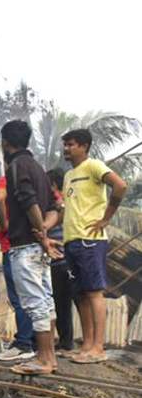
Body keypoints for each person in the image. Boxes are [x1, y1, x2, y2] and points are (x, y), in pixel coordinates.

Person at [61, 129, 128, 364]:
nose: (66, 149)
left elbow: (120, 186)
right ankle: (87, 345)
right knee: (79, 294)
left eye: (70, 144)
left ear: (84, 146)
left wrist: (106, 218)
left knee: (94, 292)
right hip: (71, 240)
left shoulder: (94, 166)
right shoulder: (69, 175)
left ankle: (99, 347)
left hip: (90, 239)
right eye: (65, 145)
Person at [0, 120, 60, 375]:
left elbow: (27, 200)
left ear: (5, 142)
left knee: (36, 304)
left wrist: (41, 233)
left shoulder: (17, 166)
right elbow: (57, 208)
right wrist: (44, 230)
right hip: (36, 246)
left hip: (25, 247)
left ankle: (44, 360)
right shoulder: (38, 169)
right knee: (46, 301)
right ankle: (51, 358)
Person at [0, 171, 36, 362]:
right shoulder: (39, 179)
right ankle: (32, 342)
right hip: (32, 247)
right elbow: (59, 206)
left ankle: (24, 343)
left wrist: (5, 225)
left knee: (20, 299)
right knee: (35, 298)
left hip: (14, 248)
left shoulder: (10, 179)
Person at [45, 168, 77, 354]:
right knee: (65, 302)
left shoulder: (60, 204)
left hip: (60, 259)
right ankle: (66, 341)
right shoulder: (68, 202)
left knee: (62, 302)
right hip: (66, 259)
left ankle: (66, 342)